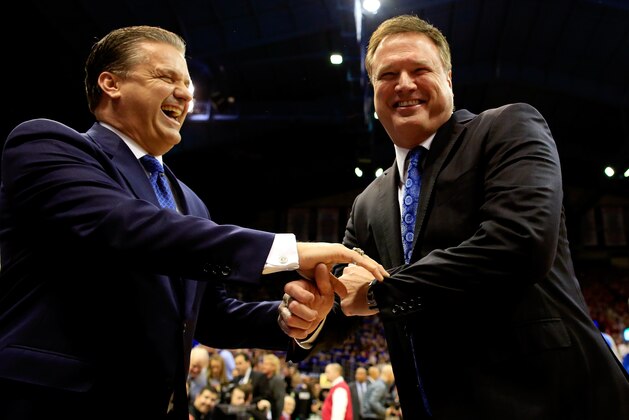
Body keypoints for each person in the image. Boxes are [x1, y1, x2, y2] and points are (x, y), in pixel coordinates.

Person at [0, 25, 389, 420]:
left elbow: (212, 317)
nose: (186, 94)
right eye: (166, 77)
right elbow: (127, 226)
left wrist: (292, 319)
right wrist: (288, 251)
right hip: (55, 403)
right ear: (110, 83)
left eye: (188, 84)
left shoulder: (191, 203)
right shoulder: (48, 146)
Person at [281, 14, 629, 420]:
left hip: (552, 398)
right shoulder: (368, 202)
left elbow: (519, 242)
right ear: (373, 93)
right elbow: (346, 297)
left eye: (419, 69)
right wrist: (310, 316)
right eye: (388, 74)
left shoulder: (506, 128)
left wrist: (382, 292)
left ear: (448, 78)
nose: (405, 84)